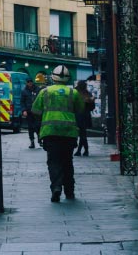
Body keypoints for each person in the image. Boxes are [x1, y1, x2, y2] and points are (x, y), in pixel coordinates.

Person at [32, 65, 86, 202]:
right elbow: (80, 110)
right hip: (69, 133)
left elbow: (36, 111)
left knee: (54, 162)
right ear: (67, 78)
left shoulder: (45, 92)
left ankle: (56, 187)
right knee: (67, 162)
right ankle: (69, 191)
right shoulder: (73, 93)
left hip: (50, 133)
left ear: (53, 77)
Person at [74, 80, 95, 157]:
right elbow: (92, 107)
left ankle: (81, 150)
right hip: (85, 116)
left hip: (77, 116)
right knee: (83, 134)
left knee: (82, 134)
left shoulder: (75, 93)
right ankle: (84, 150)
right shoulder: (88, 94)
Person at [20, 78, 41, 148]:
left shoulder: (38, 89)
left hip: (37, 112)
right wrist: (24, 110)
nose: (30, 83)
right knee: (30, 128)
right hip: (29, 112)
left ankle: (40, 140)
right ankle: (32, 142)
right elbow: (22, 102)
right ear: (26, 83)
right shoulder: (24, 91)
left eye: (31, 82)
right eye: (28, 82)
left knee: (38, 126)